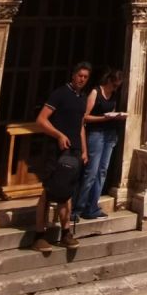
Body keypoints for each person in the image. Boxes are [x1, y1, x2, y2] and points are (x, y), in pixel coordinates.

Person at [34, 61, 91, 249]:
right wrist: (58, 135)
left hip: (74, 152)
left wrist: (84, 150)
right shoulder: (60, 94)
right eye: (80, 75)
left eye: (85, 77)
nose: (82, 79)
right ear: (73, 75)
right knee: (48, 191)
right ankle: (39, 235)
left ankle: (66, 233)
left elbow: (80, 126)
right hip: (56, 150)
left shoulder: (82, 98)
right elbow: (41, 120)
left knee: (67, 192)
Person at [73, 67, 125, 220]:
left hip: (109, 134)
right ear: (109, 80)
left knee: (102, 171)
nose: (115, 88)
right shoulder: (96, 92)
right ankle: (77, 208)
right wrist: (104, 118)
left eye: (118, 86)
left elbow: (112, 111)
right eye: (114, 85)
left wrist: (116, 117)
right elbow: (85, 117)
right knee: (91, 172)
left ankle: (92, 207)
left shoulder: (114, 95)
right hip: (96, 134)